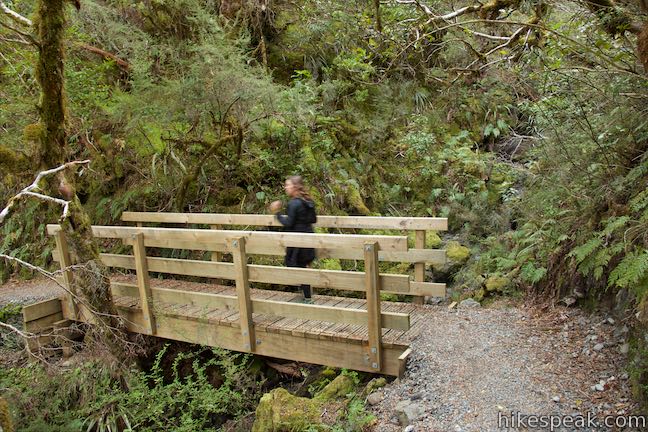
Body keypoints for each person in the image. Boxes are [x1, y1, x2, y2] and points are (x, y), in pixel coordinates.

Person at [269, 176, 317, 303]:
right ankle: (306, 295)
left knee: (296, 265)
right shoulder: (308, 201)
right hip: (308, 237)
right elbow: (313, 219)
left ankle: (307, 297)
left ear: (295, 187)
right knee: (302, 266)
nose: (285, 187)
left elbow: (289, 222)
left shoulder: (293, 203)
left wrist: (277, 212)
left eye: (287, 185)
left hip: (298, 240)